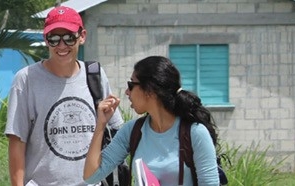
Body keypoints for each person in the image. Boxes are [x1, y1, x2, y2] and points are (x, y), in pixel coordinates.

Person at [5, 6, 124, 186]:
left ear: (82, 36)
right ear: (46, 40)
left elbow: (116, 131)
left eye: (69, 38)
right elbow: (17, 143)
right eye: (54, 39)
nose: (61, 46)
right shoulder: (26, 79)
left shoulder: (95, 75)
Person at [83, 56, 222, 186]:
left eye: (131, 85)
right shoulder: (132, 131)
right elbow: (91, 176)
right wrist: (101, 124)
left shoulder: (195, 133)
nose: (127, 92)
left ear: (150, 90)